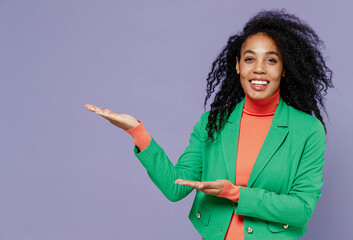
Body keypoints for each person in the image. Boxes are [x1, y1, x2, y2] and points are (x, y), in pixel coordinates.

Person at [84, 9, 333, 240]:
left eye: (271, 60)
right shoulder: (212, 123)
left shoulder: (308, 130)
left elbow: (301, 210)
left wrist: (234, 193)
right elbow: (176, 187)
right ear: (237, 66)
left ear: (284, 69)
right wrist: (137, 132)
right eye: (249, 59)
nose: (259, 69)